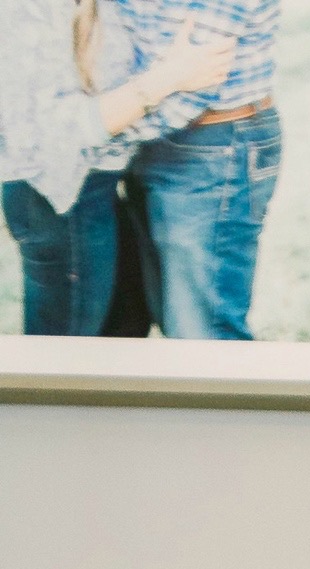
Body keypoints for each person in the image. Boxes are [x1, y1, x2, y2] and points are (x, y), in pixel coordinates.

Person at [0, 0, 230, 334]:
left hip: (95, 188)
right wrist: (168, 78)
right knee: (63, 362)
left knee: (122, 333)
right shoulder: (29, 9)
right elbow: (56, 130)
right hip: (60, 194)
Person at [111, 0, 281, 340]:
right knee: (169, 311)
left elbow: (194, 80)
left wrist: (96, 129)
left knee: (202, 329)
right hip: (149, 133)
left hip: (212, 142)